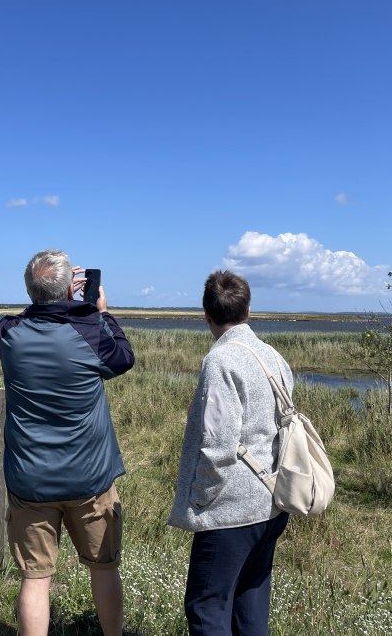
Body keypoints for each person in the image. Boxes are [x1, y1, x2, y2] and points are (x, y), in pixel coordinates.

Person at [0, 249, 135, 636]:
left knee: (35, 579)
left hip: (30, 479)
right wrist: (99, 311)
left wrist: (58, 301)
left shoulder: (9, 334)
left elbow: (30, 315)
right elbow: (123, 359)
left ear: (29, 289)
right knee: (104, 567)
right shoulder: (89, 329)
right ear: (68, 288)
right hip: (88, 477)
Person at [167, 271, 293, 636]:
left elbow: (219, 448)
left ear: (206, 314)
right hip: (271, 501)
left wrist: (200, 499)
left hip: (230, 511)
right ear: (248, 309)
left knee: (207, 608)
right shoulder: (272, 356)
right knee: (249, 605)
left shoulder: (221, 361)